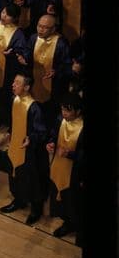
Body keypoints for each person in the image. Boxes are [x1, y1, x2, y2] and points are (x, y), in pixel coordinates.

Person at [0, 74, 48, 226]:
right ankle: (19, 200)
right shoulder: (15, 100)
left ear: (27, 87)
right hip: (15, 146)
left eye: (17, 83)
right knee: (14, 173)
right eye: (13, 81)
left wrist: (30, 139)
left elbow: (41, 131)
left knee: (32, 179)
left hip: (30, 151)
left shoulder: (34, 107)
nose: (13, 85)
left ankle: (36, 210)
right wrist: (9, 134)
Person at [18, 14, 71, 123]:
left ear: (53, 29)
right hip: (35, 81)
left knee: (49, 115)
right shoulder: (33, 38)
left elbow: (67, 65)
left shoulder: (61, 43)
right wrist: (24, 59)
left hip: (53, 87)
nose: (41, 30)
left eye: (45, 27)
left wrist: (56, 71)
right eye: (39, 26)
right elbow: (27, 53)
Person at [47, 93, 84, 238]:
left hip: (74, 173)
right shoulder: (60, 120)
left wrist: (70, 154)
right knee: (60, 198)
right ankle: (66, 221)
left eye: (68, 110)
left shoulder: (83, 127)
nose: (64, 113)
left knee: (72, 201)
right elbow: (53, 134)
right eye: (63, 110)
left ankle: (72, 224)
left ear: (78, 111)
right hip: (58, 166)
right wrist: (50, 143)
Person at [0, 4, 28, 126]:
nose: (4, 16)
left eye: (8, 15)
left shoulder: (18, 34)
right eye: (3, 12)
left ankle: (1, 120)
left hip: (7, 71)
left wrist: (11, 55)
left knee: (2, 96)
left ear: (15, 18)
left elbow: (20, 53)